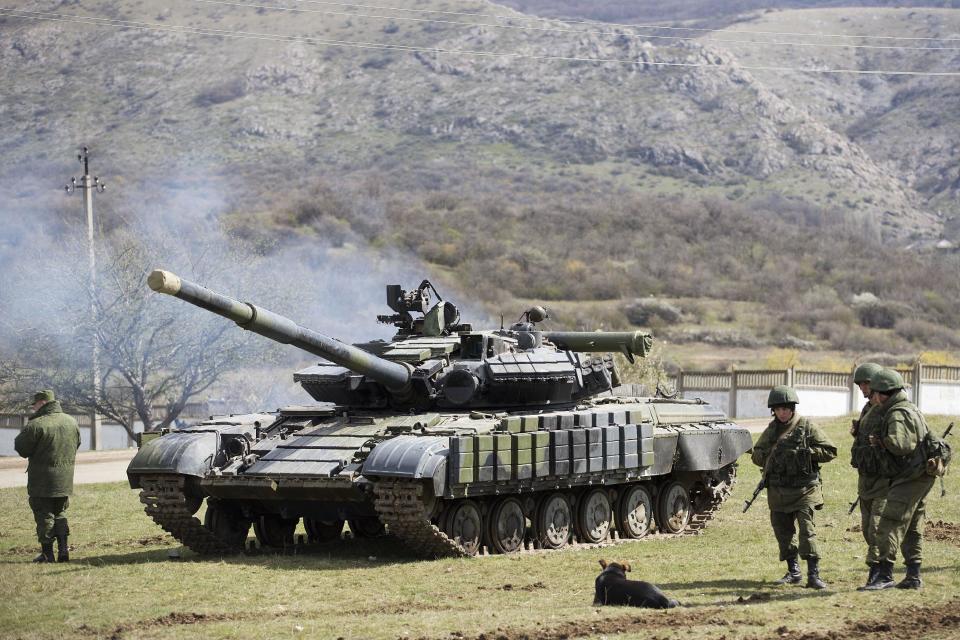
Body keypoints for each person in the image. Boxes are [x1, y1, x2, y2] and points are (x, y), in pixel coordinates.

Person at [752, 385, 837, 589]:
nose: (782, 413)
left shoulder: (807, 426)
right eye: (778, 409)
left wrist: (807, 453)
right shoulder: (771, 431)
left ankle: (814, 575)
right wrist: (769, 457)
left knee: (807, 532)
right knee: (783, 532)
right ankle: (794, 571)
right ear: (773, 410)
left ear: (792, 408)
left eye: (786, 409)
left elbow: (831, 451)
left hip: (804, 490)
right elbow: (757, 455)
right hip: (778, 491)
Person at [861, 369, 934, 590]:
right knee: (912, 526)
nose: (872, 398)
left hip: (910, 477)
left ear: (884, 393)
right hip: (920, 475)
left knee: (889, 523)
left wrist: (881, 442)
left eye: (874, 394)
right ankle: (913, 575)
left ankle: (885, 575)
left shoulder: (897, 413)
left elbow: (901, 445)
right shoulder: (910, 408)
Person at [14, 390, 81, 563]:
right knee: (60, 512)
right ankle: (64, 551)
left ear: (42, 403)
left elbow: (22, 448)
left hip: (42, 480)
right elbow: (77, 444)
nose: (33, 408)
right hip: (64, 480)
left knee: (44, 515)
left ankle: (47, 554)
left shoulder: (37, 424)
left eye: (35, 405)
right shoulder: (71, 421)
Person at [848, 362, 888, 590]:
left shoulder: (887, 409)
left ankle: (879, 572)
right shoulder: (866, 410)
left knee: (876, 526)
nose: (863, 387)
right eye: (860, 383)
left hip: (884, 477)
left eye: (867, 383)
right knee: (866, 527)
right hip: (866, 478)